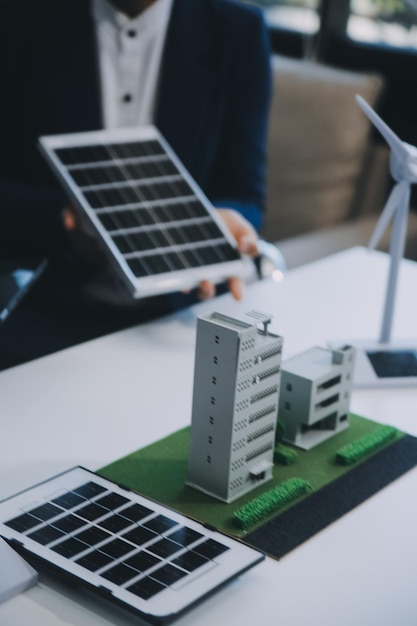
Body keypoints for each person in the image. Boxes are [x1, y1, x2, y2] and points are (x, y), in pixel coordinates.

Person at [0, 0, 272, 366]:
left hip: (181, 316)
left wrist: (220, 226)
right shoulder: (20, 18)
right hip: (44, 304)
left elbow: (244, 193)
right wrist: (62, 218)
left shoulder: (238, 28)